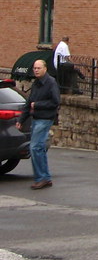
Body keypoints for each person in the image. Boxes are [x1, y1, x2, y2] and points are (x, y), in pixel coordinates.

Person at [17, 59, 60, 189]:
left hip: (45, 119)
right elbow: (29, 103)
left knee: (35, 148)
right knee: (39, 148)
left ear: (45, 69)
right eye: (35, 68)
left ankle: (41, 178)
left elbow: (55, 102)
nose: (36, 70)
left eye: (38, 68)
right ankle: (45, 178)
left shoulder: (50, 82)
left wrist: (38, 105)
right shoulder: (36, 83)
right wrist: (21, 120)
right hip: (36, 118)